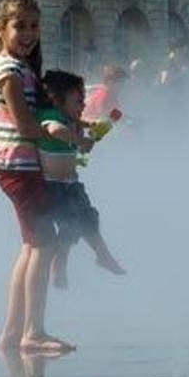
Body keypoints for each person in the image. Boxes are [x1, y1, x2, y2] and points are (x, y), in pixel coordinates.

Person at [0, 0, 73, 354]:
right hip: (16, 165)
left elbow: (37, 119)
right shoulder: (8, 70)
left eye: (34, 26)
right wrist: (59, 134)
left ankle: (12, 332)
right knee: (44, 243)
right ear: (0, 30)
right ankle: (32, 332)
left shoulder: (22, 68)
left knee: (32, 245)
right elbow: (25, 125)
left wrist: (73, 127)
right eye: (19, 26)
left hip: (21, 165)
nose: (28, 33)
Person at [38, 69, 126, 290]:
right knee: (71, 223)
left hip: (70, 183)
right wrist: (79, 140)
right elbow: (55, 130)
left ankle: (101, 256)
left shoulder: (70, 117)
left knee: (84, 220)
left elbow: (82, 121)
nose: (83, 105)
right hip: (54, 186)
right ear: (58, 100)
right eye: (78, 101)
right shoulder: (53, 116)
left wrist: (93, 126)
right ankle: (64, 266)